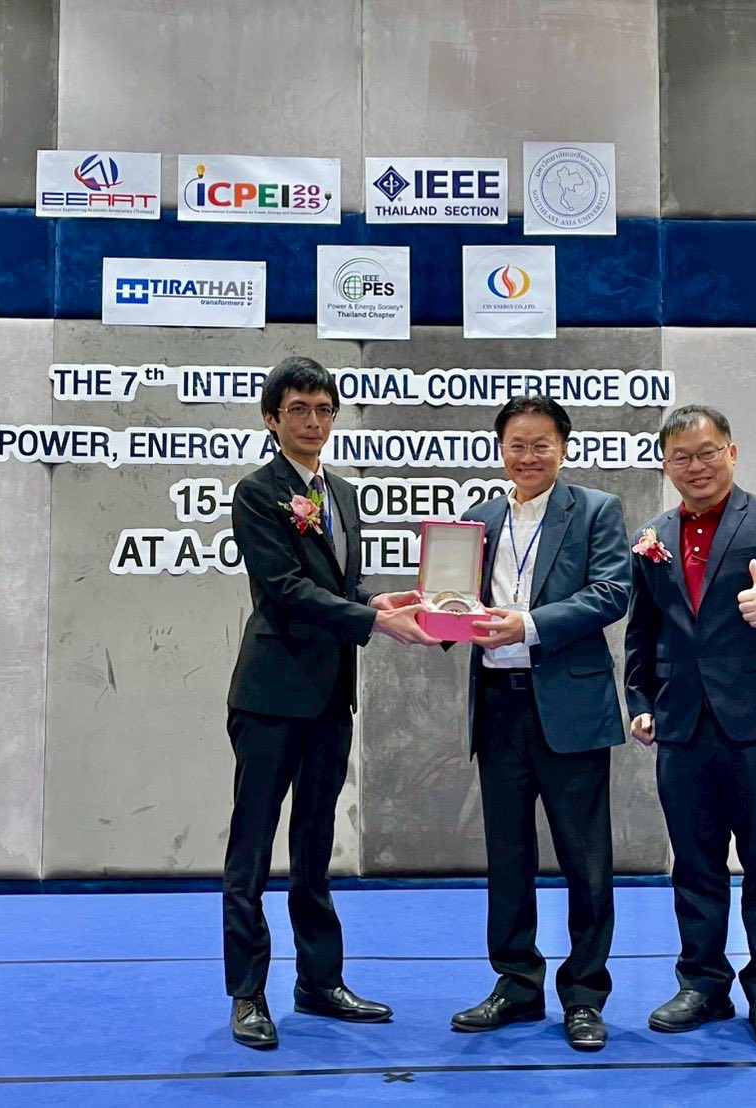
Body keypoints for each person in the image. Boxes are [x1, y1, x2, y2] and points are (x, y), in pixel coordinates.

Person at [222, 356, 438, 1050]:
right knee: (252, 847)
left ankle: (319, 981)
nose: (313, 422)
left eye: (323, 410)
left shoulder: (341, 492)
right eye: (298, 410)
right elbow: (284, 589)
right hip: (270, 694)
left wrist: (378, 598)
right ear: (271, 419)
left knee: (315, 842)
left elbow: (336, 587)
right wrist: (375, 621)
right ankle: (247, 993)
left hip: (328, 696)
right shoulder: (257, 493)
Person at [623, 404, 756, 1049]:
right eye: (680, 457)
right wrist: (641, 698)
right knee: (694, 864)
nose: (696, 466)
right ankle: (702, 984)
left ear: (731, 452)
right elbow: (644, 630)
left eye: (707, 452)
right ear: (665, 466)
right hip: (682, 725)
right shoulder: (651, 535)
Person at [446, 395, 631, 1052]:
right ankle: (516, 984)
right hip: (499, 705)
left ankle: (584, 994)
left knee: (586, 859)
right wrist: (442, 615)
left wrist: (527, 623)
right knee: (507, 856)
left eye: (540, 444)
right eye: (516, 445)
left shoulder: (596, 510)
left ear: (563, 448)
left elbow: (611, 592)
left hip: (568, 707)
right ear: (500, 450)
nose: (527, 457)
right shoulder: (479, 518)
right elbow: (456, 599)